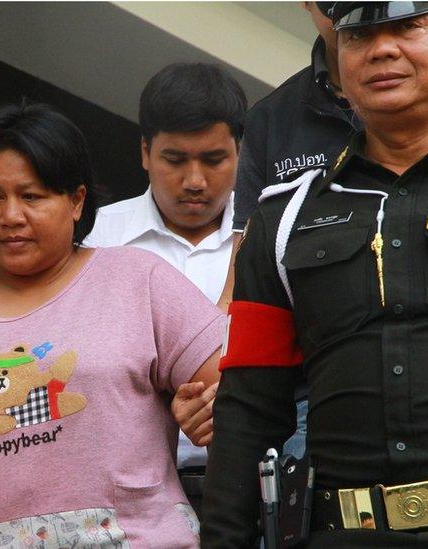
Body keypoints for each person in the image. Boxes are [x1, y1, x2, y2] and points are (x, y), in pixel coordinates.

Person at [203, 2, 428, 547]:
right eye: (359, 35)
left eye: (408, 27)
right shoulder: (284, 220)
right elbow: (247, 409)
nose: (383, 49)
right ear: (341, 68)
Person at [0, 102, 224, 547]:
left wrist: (209, 412)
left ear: (76, 200)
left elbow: (237, 400)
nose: (11, 215)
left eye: (32, 196)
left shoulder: (137, 278)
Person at [82, 62, 247, 515]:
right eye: (174, 160)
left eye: (214, 160)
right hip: (127, 502)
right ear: (144, 153)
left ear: (240, 152)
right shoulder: (95, 240)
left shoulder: (273, 235)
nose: (194, 180)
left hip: (252, 490)